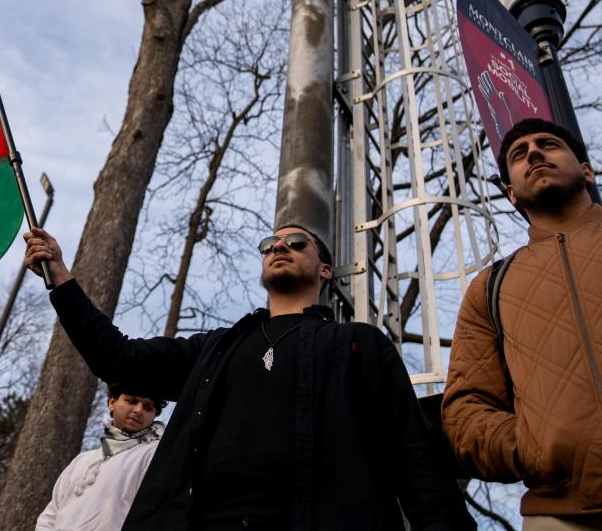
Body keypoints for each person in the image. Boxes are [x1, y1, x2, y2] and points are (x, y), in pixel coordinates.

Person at [25, 224, 474, 530]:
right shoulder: (215, 349)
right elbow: (119, 359)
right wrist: (61, 279)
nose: (279, 247)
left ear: (324, 270)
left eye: (297, 242)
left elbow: (412, 456)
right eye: (270, 244)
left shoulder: (357, 344)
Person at [443, 118, 602, 529]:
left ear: (586, 170)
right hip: (562, 514)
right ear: (511, 193)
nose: (533, 152)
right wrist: (531, 448)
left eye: (547, 144)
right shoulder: (490, 287)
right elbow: (466, 408)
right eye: (519, 154)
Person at [36, 384, 166, 531]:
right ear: (112, 403)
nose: (138, 410)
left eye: (148, 407)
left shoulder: (155, 455)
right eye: (132, 401)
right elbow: (51, 513)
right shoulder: (82, 460)